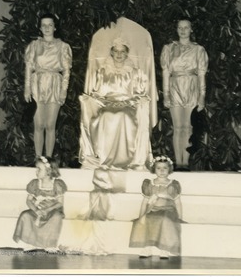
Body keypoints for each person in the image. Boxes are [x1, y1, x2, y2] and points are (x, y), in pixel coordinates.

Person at [79, 37, 153, 170]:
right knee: (106, 116)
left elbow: (140, 95)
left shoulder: (135, 73)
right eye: (116, 51)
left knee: (122, 116)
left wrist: (127, 102)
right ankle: (104, 158)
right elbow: (98, 94)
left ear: (127, 53)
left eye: (122, 51)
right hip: (107, 105)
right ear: (111, 52)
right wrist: (94, 100)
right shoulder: (102, 72)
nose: (119, 54)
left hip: (129, 106)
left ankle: (124, 159)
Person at [160, 19, 208, 169]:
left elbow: (201, 74)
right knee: (178, 127)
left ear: (191, 30)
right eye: (180, 27)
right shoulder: (168, 49)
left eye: (186, 27)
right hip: (175, 88)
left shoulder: (198, 50)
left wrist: (202, 96)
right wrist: (166, 95)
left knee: (188, 127)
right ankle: (177, 161)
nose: (183, 30)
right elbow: (166, 73)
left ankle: (185, 163)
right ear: (176, 29)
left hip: (191, 88)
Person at [24, 13, 72, 158]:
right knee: (38, 125)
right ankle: (39, 160)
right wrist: (27, 88)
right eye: (43, 25)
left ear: (55, 27)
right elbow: (28, 67)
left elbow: (66, 71)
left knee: (50, 125)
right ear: (40, 27)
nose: (47, 28)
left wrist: (63, 91)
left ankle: (48, 161)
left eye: (50, 25)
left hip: (54, 85)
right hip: (37, 84)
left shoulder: (63, 46)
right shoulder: (34, 45)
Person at [129, 155, 182, 259]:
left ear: (169, 169)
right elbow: (144, 202)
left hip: (168, 210)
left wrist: (179, 217)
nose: (162, 171)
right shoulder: (149, 183)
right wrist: (141, 215)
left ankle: (165, 249)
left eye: (165, 168)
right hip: (153, 209)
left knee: (164, 220)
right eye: (158, 168)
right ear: (154, 169)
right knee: (147, 219)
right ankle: (147, 247)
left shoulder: (173, 184)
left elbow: (178, 202)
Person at [13, 156, 67, 252]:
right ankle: (30, 243)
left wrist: (47, 210)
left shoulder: (57, 184)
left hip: (51, 210)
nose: (36, 171)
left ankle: (50, 244)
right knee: (26, 215)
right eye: (36, 168)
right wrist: (36, 210)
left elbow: (60, 203)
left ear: (48, 171)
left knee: (57, 217)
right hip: (38, 209)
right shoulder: (35, 184)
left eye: (39, 169)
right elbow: (28, 200)